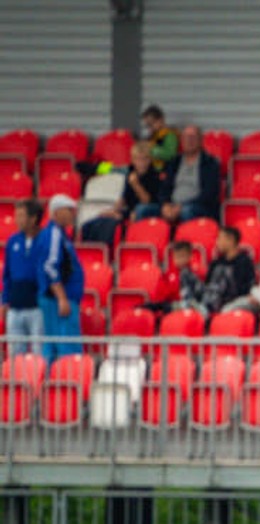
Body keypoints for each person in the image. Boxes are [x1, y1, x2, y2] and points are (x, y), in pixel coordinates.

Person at [81, 142, 162, 245]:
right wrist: (114, 210)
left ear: (150, 160)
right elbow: (124, 199)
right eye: (138, 159)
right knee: (100, 220)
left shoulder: (154, 175)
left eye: (144, 159)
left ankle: (131, 241)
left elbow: (147, 201)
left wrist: (136, 184)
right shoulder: (130, 172)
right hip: (130, 210)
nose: (141, 163)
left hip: (149, 209)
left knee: (139, 210)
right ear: (133, 160)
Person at [33, 196, 83, 363]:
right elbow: (50, 266)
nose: (72, 214)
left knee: (52, 345)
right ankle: (66, 383)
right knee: (66, 346)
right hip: (58, 300)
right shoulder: (54, 234)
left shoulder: (58, 234)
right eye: (69, 210)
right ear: (56, 212)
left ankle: (50, 383)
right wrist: (62, 298)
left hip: (53, 298)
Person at [3, 199, 44, 355]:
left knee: (38, 354)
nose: (16, 220)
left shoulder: (45, 240)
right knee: (14, 357)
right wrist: (5, 301)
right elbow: (7, 275)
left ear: (33, 219)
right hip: (15, 308)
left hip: (38, 309)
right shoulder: (13, 241)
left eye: (20, 215)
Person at [157, 125, 221, 224]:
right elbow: (164, 188)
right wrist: (165, 205)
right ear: (181, 140)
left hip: (198, 207)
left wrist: (181, 207)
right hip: (172, 205)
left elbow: (209, 194)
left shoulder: (210, 163)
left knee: (186, 211)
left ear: (200, 140)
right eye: (186, 137)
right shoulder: (174, 162)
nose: (189, 141)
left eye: (193, 137)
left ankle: (186, 238)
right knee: (143, 210)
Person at [197, 226, 256, 315]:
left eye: (220, 238)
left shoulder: (244, 262)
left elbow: (246, 288)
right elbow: (208, 285)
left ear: (231, 240)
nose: (217, 242)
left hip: (234, 302)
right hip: (213, 298)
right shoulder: (216, 263)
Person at [146, 241, 199, 314]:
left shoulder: (197, 274)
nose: (179, 260)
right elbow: (159, 297)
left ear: (190, 256)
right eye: (176, 257)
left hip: (190, 309)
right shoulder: (167, 275)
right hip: (170, 310)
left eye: (182, 256)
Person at [140, 104, 178, 169]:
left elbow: (170, 155)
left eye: (151, 124)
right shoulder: (152, 136)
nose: (150, 128)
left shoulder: (170, 135)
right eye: (147, 125)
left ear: (161, 120)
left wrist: (151, 149)